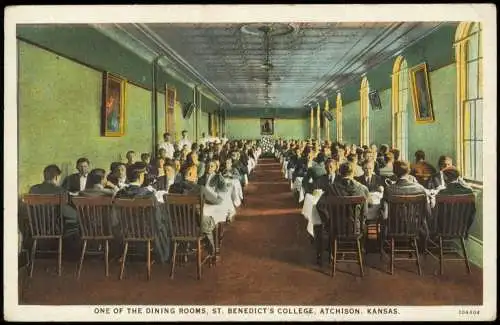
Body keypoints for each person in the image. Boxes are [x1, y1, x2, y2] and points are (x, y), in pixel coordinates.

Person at [315, 162, 369, 266]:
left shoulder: (331, 188)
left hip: (336, 228)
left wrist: (328, 220)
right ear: (353, 172)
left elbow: (320, 206)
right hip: (356, 229)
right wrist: (361, 222)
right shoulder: (363, 189)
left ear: (339, 172)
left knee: (326, 227)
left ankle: (329, 253)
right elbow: (365, 212)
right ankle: (361, 251)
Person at [29, 165, 79, 237]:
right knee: (75, 224)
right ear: (56, 177)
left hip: (36, 228)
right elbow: (67, 213)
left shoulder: (33, 189)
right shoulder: (60, 191)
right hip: (54, 229)